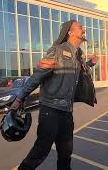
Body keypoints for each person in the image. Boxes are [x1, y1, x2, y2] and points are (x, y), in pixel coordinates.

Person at [9, 20, 97, 170]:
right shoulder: (57, 51)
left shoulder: (78, 55)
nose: (84, 29)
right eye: (80, 27)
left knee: (65, 153)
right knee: (41, 150)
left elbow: (75, 72)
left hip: (67, 112)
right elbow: (37, 76)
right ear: (70, 32)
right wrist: (19, 98)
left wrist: (89, 64)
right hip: (50, 110)